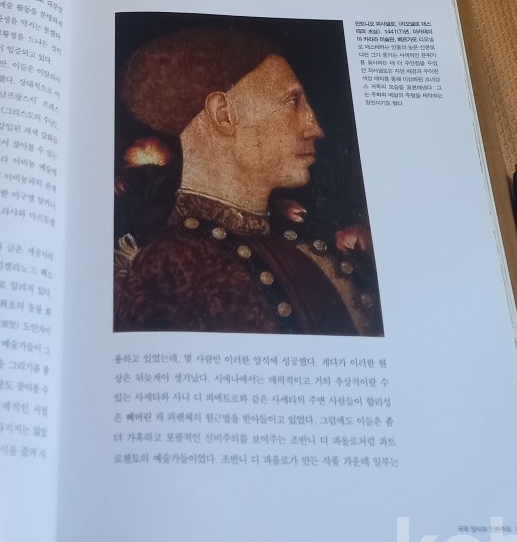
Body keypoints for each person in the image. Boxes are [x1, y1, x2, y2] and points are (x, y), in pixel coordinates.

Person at [114, 27, 381, 336]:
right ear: (224, 115)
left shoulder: (301, 248)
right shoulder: (172, 266)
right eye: (293, 102)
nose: (314, 128)